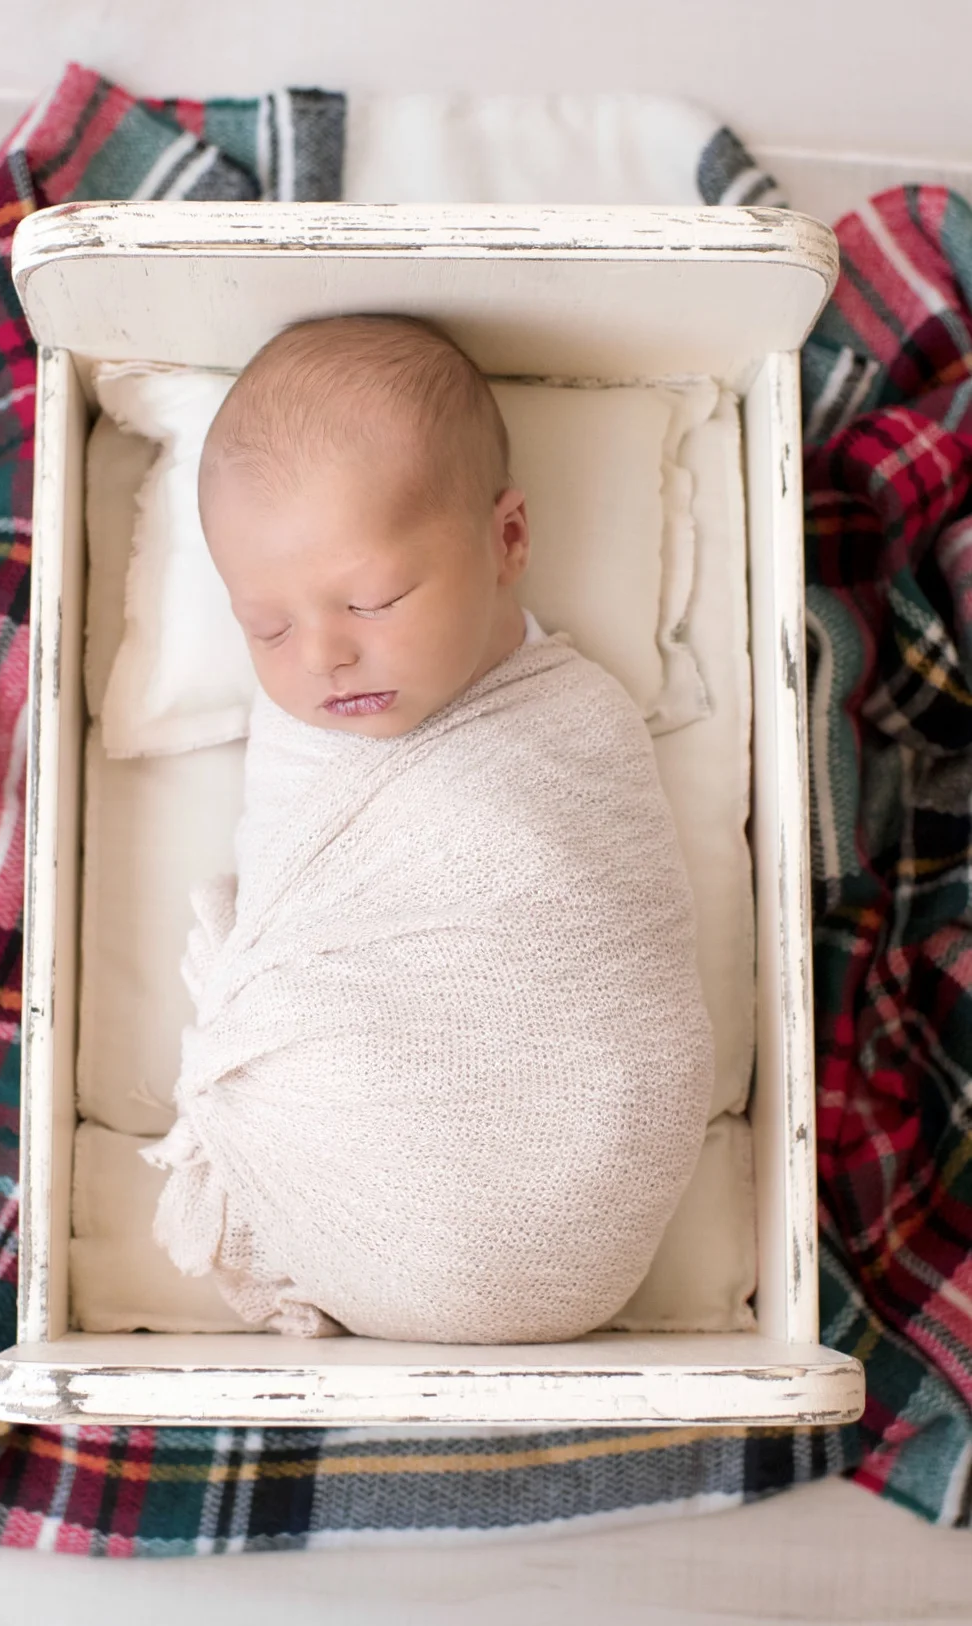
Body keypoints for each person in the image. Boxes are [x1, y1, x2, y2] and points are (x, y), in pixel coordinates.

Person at [143, 312, 714, 1345]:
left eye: (374, 600)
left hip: (575, 1206)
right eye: (264, 625)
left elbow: (596, 934)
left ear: (506, 540)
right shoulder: (297, 738)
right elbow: (301, 919)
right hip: (357, 1168)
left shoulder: (574, 723)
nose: (320, 656)